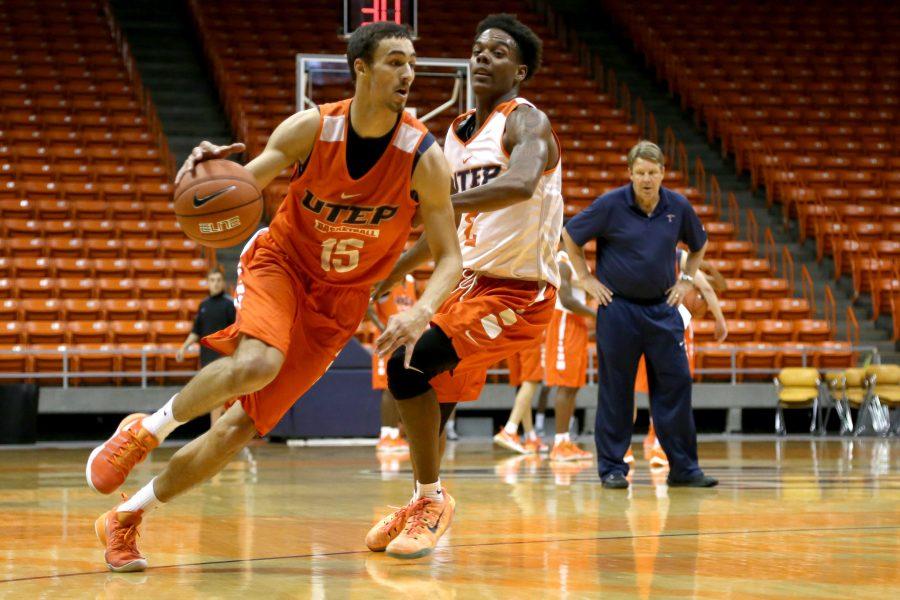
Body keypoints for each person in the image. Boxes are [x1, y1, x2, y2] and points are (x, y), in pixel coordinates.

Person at [85, 22, 462, 572]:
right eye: (395, 62)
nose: (408, 74)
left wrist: (423, 308)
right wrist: (212, 174)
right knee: (258, 362)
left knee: (237, 428)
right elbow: (247, 180)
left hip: (341, 303)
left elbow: (448, 254)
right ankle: (145, 431)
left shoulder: (422, 156)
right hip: (281, 263)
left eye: (412, 63)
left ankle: (125, 518)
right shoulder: (313, 127)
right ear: (361, 68)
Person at [365, 14, 562, 559]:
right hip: (466, 283)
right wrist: (393, 273)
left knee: (407, 366)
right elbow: (443, 230)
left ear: (520, 70)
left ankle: (432, 501)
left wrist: (443, 205)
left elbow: (521, 183)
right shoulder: (452, 135)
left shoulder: (527, 122)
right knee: (429, 398)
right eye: (477, 49)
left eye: (497, 52)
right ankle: (420, 499)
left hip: (518, 291)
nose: (482, 57)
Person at [562, 140, 719, 489]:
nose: (647, 179)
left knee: (675, 386)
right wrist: (585, 278)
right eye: (641, 173)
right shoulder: (610, 205)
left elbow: (699, 245)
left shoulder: (677, 206)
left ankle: (684, 469)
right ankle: (613, 468)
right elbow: (570, 236)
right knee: (616, 391)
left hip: (663, 309)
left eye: (653, 172)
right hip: (618, 309)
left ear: (663, 173)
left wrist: (687, 280)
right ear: (630, 174)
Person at [635, 253, 727, 468]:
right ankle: (660, 442)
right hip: (673, 326)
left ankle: (655, 436)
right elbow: (707, 289)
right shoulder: (679, 262)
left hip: (661, 325)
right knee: (670, 387)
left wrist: (710, 266)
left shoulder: (674, 266)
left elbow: (720, 285)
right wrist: (720, 320)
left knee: (662, 386)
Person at [544, 248, 595, 462]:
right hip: (564, 320)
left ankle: (566, 442)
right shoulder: (562, 260)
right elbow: (565, 299)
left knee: (573, 384)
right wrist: (596, 315)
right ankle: (559, 443)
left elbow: (590, 292)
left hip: (577, 322)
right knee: (565, 384)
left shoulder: (578, 263)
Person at [175, 265, 237, 426]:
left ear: (223, 283)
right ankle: (216, 430)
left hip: (225, 359)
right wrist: (183, 348)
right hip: (207, 360)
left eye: (218, 280)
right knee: (213, 396)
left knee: (224, 396)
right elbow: (196, 331)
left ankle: (221, 430)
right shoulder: (203, 305)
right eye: (212, 280)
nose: (215, 284)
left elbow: (236, 331)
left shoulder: (229, 304)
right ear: (208, 283)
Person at [368, 274, 416, 454]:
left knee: (399, 387)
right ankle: (386, 435)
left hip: (404, 341)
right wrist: (383, 328)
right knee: (388, 387)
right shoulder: (386, 280)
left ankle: (395, 434)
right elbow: (367, 306)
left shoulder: (410, 281)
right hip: (386, 341)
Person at [494, 338, 547, 454]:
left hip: (512, 335)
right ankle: (509, 430)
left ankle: (530, 437)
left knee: (523, 385)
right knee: (531, 380)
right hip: (531, 332)